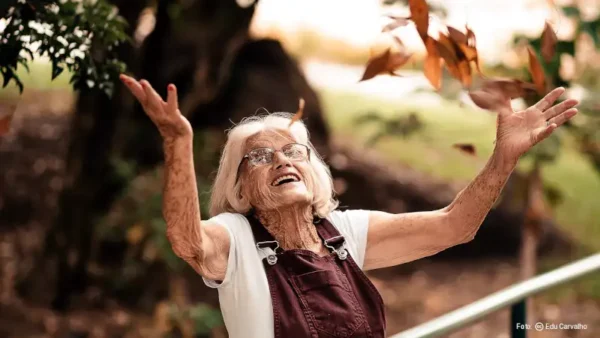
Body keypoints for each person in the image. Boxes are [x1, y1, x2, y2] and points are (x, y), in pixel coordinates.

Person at [119, 74, 578, 338]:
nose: (281, 160)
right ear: (240, 186)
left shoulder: (346, 232)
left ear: (312, 166)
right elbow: (186, 238)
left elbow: (454, 225)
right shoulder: (234, 239)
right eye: (259, 157)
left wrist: (503, 158)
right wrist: (178, 142)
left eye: (293, 151)